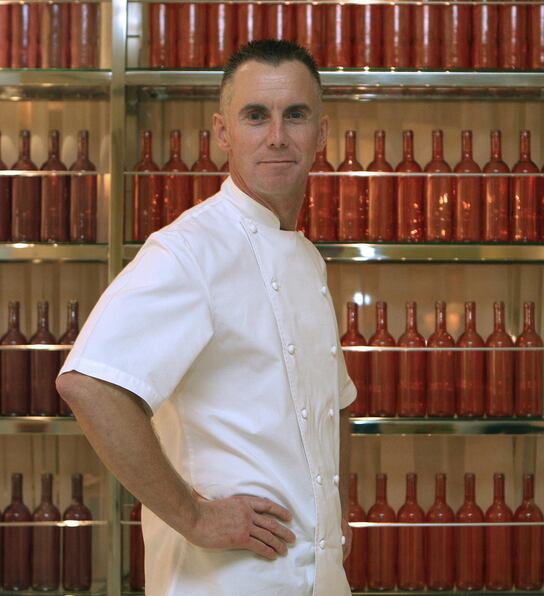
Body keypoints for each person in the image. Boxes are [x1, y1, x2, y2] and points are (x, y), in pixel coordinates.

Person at [56, 40, 356, 595]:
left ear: (322, 132)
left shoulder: (308, 257)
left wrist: (334, 517)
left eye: (296, 115)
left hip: (315, 577)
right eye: (255, 116)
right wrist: (195, 517)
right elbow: (89, 384)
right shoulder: (190, 250)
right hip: (223, 581)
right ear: (222, 133)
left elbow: (330, 407)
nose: (276, 136)